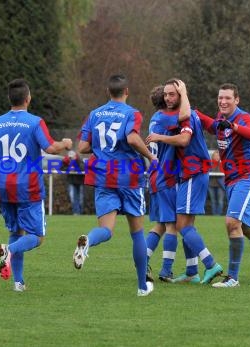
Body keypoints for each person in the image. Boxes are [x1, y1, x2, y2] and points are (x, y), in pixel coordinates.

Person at [0, 78, 72, 292]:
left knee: (16, 230)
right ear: (28, 98)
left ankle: (18, 282)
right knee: (37, 237)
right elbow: (50, 149)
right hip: (27, 186)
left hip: (3, 185)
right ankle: (10, 250)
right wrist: (65, 144)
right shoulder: (34, 122)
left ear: (9, 99)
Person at [72, 74, 157, 296]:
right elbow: (132, 139)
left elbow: (82, 147)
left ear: (108, 92)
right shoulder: (132, 113)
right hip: (128, 176)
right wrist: (150, 156)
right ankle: (141, 287)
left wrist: (100, 149)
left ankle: (88, 241)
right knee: (137, 233)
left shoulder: (94, 114)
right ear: (126, 91)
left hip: (102, 176)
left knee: (106, 230)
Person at [194, 83, 250, 288]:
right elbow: (209, 124)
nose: (223, 101)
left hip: (248, 175)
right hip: (232, 178)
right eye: (220, 98)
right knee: (247, 226)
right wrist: (190, 109)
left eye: (227, 98)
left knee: (232, 222)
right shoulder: (220, 119)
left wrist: (234, 127)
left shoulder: (243, 118)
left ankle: (232, 277)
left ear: (237, 100)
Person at [146, 78, 223, 285]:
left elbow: (184, 139)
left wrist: (159, 138)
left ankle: (210, 264)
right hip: (180, 175)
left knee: (177, 225)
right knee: (183, 225)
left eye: (173, 94)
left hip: (191, 173)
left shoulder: (179, 117)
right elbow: (215, 126)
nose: (168, 98)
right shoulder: (187, 114)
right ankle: (191, 271)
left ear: (181, 95)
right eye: (166, 94)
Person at [145, 84, 185, 283]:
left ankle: (142, 259)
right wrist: (183, 93)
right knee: (173, 225)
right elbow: (186, 116)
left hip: (153, 175)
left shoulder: (155, 119)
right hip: (166, 176)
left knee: (160, 225)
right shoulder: (166, 118)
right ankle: (166, 270)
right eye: (168, 95)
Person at [61, 150, 85, 215]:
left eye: (72, 157)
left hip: (80, 182)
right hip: (71, 182)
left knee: (80, 199)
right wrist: (69, 168)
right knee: (73, 198)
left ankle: (81, 212)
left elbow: (83, 168)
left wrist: (76, 168)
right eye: (70, 157)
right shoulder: (66, 161)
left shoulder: (79, 160)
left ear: (75, 156)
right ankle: (76, 212)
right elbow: (61, 168)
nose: (71, 158)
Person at [208, 150, 225, 215]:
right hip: (211, 185)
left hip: (220, 186)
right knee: (213, 201)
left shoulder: (222, 163)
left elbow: (223, 173)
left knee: (220, 201)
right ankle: (214, 214)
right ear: (213, 156)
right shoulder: (209, 164)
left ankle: (219, 215)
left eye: (218, 156)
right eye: (215, 155)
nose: (217, 157)